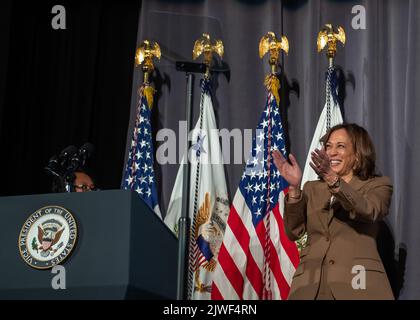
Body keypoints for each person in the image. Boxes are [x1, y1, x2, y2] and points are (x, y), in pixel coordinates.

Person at [273, 123, 394, 300]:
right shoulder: (312, 188)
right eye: (328, 146)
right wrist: (294, 188)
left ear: (358, 155)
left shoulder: (378, 185)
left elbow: (369, 210)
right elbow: (294, 231)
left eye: (341, 146)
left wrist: (332, 179)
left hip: (357, 283)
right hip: (310, 285)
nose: (331, 152)